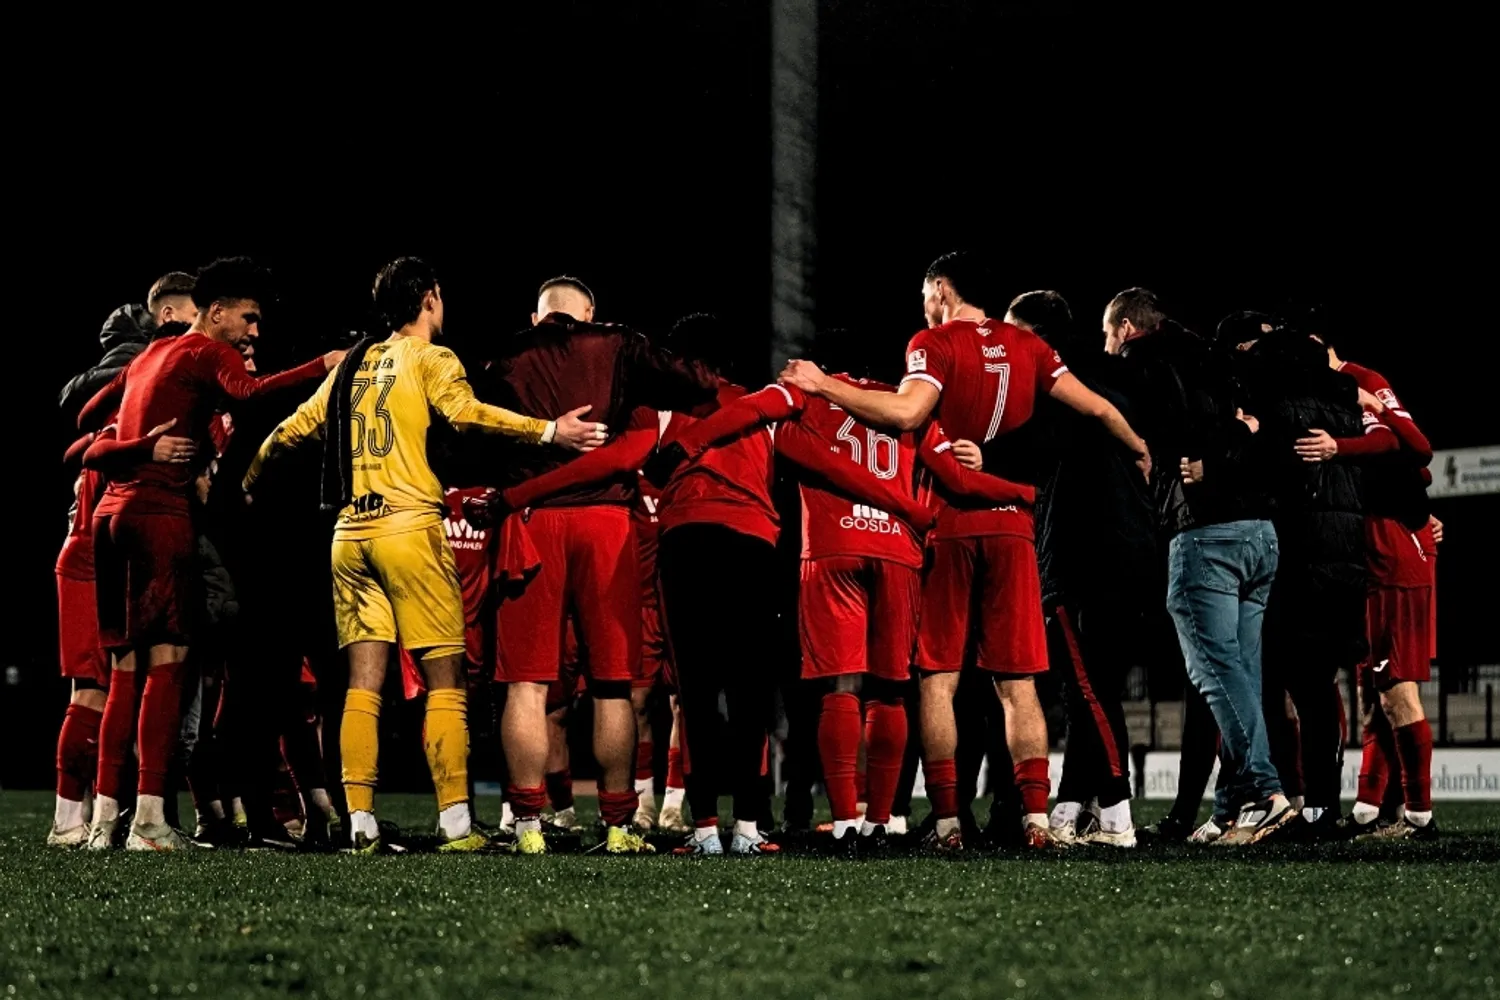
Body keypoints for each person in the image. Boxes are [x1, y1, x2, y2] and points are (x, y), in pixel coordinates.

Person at [780, 252, 1149, 851]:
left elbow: (907, 412)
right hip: (1013, 531)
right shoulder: (1029, 347)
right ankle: (1034, 821)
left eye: (925, 291)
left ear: (941, 289)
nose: (923, 301)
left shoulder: (933, 342)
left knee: (938, 681)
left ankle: (949, 822)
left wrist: (825, 384)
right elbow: (1099, 408)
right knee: (1018, 682)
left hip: (950, 526)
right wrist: (1137, 446)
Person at [242, 257, 605, 853]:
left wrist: (251, 481)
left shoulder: (354, 362)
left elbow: (291, 431)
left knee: (362, 684)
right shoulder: (433, 358)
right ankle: (457, 825)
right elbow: (467, 415)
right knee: (446, 680)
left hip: (350, 534)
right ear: (430, 298)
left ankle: (359, 821)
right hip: (409, 527)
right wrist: (548, 432)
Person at [657, 351, 1035, 855]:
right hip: (897, 551)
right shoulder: (909, 405)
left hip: (833, 550)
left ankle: (843, 823)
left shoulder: (808, 392)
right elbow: (958, 478)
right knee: (892, 690)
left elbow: (753, 414)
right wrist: (1026, 492)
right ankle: (883, 820)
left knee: (839, 686)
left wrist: (689, 440)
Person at [76, 257, 339, 852]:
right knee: (169, 667)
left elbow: (89, 420)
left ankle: (103, 821)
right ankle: (148, 821)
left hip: (109, 517)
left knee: (123, 674)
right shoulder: (204, 350)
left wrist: (136, 443)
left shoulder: (148, 354)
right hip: (158, 516)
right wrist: (322, 368)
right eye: (248, 319)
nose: (254, 332)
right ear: (215, 312)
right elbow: (250, 392)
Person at [475, 280, 716, 856]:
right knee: (613, 684)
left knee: (527, 685)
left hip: (531, 520)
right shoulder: (618, 346)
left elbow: (467, 433)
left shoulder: (505, 355)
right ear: (590, 314)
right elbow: (698, 384)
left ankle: (528, 824)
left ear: (537, 315)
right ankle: (616, 825)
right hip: (606, 523)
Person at [968, 290, 1158, 848]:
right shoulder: (1113, 374)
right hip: (1135, 550)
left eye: (1011, 331)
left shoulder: (1049, 381)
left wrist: (985, 454)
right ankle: (1073, 808)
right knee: (1088, 690)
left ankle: (1118, 816)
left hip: (1083, 557)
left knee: (1091, 689)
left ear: (1033, 336)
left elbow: (1036, 444)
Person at [1106, 287, 1292, 845]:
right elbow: (1261, 426)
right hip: (1262, 534)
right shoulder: (1224, 360)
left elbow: (1175, 433)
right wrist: (1237, 436)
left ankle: (1264, 790)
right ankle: (1233, 805)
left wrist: (1180, 456)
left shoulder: (1143, 362)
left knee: (1215, 672)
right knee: (1243, 675)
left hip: (1207, 536)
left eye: (1107, 334)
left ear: (1125, 328)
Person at [1222, 316, 1367, 840]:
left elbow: (1254, 472)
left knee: (1271, 685)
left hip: (1299, 560)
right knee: (1319, 690)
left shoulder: (1278, 409)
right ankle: (1322, 809)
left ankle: (1287, 800)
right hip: (1347, 561)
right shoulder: (1347, 410)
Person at [1295, 331, 1438, 840]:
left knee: (1395, 687)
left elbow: (1414, 447)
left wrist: (1339, 445)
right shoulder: (1332, 390)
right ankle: (1367, 807)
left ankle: (1419, 815)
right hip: (1378, 549)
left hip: (1390, 550)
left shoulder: (1359, 381)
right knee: (1375, 691)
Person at [60, 272, 199, 421]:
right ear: (168, 315)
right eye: (196, 316)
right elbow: (70, 394)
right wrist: (145, 372)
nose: (202, 324)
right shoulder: (136, 350)